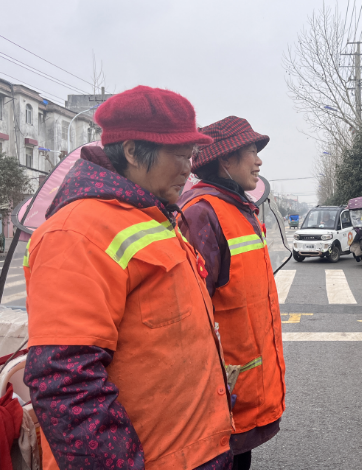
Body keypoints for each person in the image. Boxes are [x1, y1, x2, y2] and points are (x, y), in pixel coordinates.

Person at [22, 86, 234, 470]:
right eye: (180, 155)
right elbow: (64, 381)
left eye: (192, 155)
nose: (189, 168)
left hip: (197, 450)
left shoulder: (156, 218)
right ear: (133, 151)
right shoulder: (77, 233)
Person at [178, 116, 285, 470]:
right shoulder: (202, 214)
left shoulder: (239, 209)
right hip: (222, 389)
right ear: (225, 161)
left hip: (242, 384)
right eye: (251, 152)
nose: (259, 161)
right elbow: (192, 312)